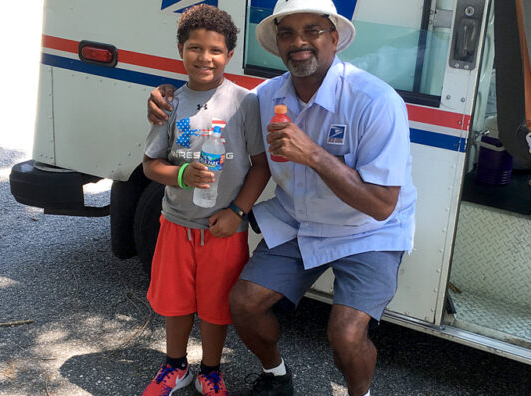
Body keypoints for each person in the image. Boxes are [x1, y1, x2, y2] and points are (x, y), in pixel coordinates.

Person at [147, 1, 416, 395]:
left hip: (366, 231)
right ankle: (276, 375)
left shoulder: (375, 101)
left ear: (335, 38)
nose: (299, 42)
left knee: (345, 334)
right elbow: (214, 105)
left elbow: (381, 205)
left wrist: (313, 155)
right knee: (243, 303)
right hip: (301, 221)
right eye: (287, 33)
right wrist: (165, 95)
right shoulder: (264, 98)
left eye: (313, 30)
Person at [141, 4, 270, 396]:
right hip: (176, 224)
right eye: (195, 48)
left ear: (229, 55)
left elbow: (261, 167)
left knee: (216, 308)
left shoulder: (245, 103)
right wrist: (182, 174)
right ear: (181, 49)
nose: (205, 57)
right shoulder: (171, 102)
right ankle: (174, 366)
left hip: (223, 230)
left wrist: (236, 212)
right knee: (175, 304)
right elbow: (150, 164)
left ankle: (211, 371)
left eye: (215, 50)